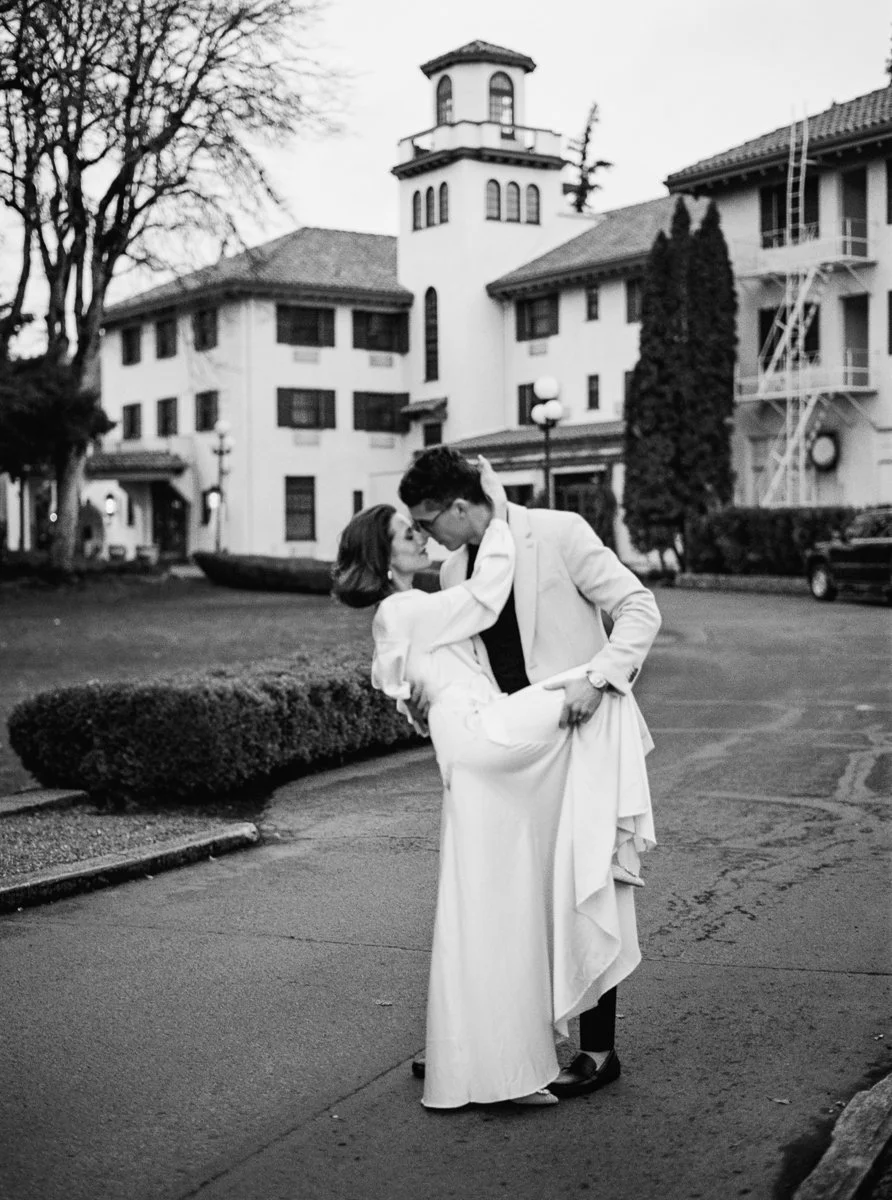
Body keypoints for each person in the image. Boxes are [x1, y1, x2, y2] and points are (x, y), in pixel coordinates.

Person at [332, 457, 657, 1109]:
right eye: (413, 530)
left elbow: (639, 609)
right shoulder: (453, 571)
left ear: (458, 505)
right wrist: (420, 698)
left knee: (586, 881)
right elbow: (434, 662)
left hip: (573, 729)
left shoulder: (560, 533)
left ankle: (597, 1050)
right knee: (506, 900)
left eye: (429, 523)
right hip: (504, 751)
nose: (429, 541)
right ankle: (484, 1043)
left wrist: (598, 682)